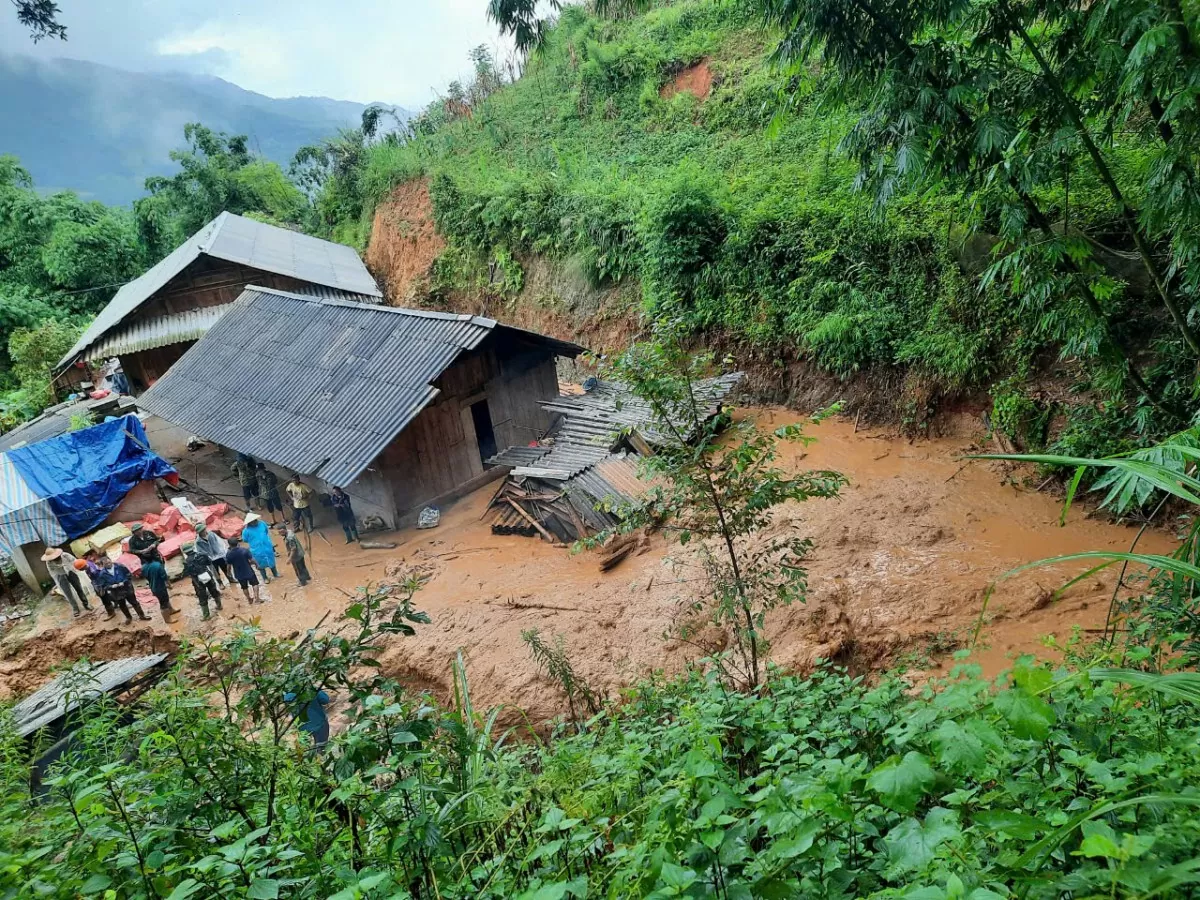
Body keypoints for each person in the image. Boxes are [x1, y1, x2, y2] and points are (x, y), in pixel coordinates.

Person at [92, 556, 150, 624]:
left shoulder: (120, 566)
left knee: (134, 602)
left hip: (127, 588)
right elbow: (103, 585)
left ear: (111, 560)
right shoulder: (102, 574)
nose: (108, 564)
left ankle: (142, 615)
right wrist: (111, 586)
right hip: (116, 592)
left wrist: (124, 581)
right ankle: (128, 617)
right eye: (106, 564)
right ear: (103, 565)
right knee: (122, 605)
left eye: (109, 562)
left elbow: (128, 575)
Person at [41, 548, 91, 617]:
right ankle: (75, 608)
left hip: (71, 572)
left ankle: (86, 604)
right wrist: (59, 580)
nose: (55, 558)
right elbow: (53, 573)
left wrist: (77, 568)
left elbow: (75, 562)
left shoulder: (65, 555)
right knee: (67, 593)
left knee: (79, 588)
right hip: (60, 575)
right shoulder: (49, 563)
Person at [182, 541, 223, 620]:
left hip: (197, 580)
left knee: (202, 596)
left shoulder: (186, 562)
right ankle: (219, 606)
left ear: (185, 552)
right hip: (207, 575)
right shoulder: (202, 555)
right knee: (213, 590)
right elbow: (209, 562)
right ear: (193, 548)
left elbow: (186, 573)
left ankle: (206, 615)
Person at [283, 688, 331, 753]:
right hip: (319, 724)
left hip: (302, 727)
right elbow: (325, 700)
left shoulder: (287, 693)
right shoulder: (312, 689)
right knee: (322, 749)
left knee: (304, 751)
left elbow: (288, 709)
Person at [242, 513, 279, 582]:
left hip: (267, 546)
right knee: (260, 565)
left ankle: (275, 573)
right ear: (249, 522)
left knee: (271, 560)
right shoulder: (246, 531)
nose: (255, 522)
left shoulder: (262, 523)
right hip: (257, 550)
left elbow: (266, 531)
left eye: (255, 520)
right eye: (253, 521)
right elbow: (245, 539)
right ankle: (265, 578)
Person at [225, 537, 262, 604]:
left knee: (244, 587)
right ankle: (257, 599)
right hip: (249, 571)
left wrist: (228, 572)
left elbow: (229, 565)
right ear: (238, 543)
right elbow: (252, 560)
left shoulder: (229, 554)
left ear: (229, 545)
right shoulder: (244, 550)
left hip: (239, 574)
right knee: (255, 584)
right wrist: (257, 565)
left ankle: (249, 599)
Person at [141, 557, 177, 622]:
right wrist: (169, 585)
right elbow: (165, 577)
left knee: (165, 599)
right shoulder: (157, 565)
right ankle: (167, 619)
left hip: (153, 586)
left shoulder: (143, 567)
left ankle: (171, 610)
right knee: (163, 603)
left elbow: (145, 577)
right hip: (160, 587)